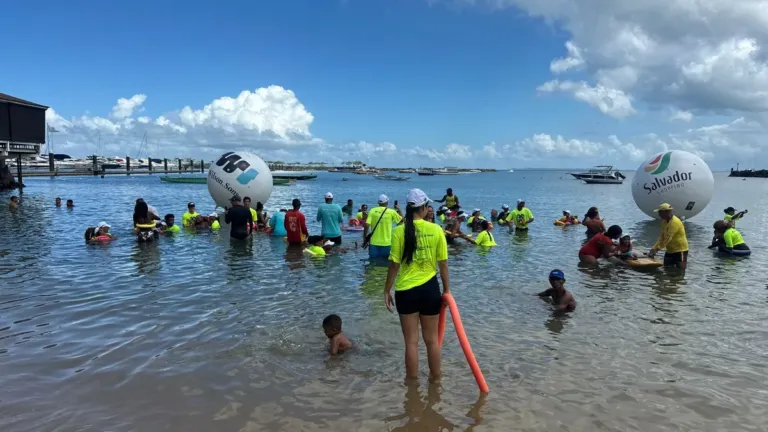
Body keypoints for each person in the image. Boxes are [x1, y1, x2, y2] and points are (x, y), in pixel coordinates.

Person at [384, 188, 450, 381]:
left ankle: (411, 388)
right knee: (432, 341)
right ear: (424, 208)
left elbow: (394, 265)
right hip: (430, 290)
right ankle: (436, 382)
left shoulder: (398, 231)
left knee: (411, 343)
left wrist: (387, 290)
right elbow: (443, 264)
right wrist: (447, 291)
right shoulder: (436, 229)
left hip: (405, 292)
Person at [649, 203, 689, 269]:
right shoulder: (664, 221)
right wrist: (654, 248)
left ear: (665, 212)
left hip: (680, 250)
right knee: (666, 268)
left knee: (681, 270)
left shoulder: (675, 222)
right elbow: (661, 237)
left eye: (660, 212)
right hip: (670, 250)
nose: (659, 214)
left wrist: (657, 250)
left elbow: (667, 239)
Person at [364, 194, 403, 259]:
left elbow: (367, 225)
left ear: (378, 202)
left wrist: (365, 236)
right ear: (387, 202)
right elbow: (401, 222)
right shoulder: (391, 212)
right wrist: (399, 209)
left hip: (374, 243)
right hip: (387, 244)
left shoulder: (372, 211)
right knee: (386, 265)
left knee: (372, 263)